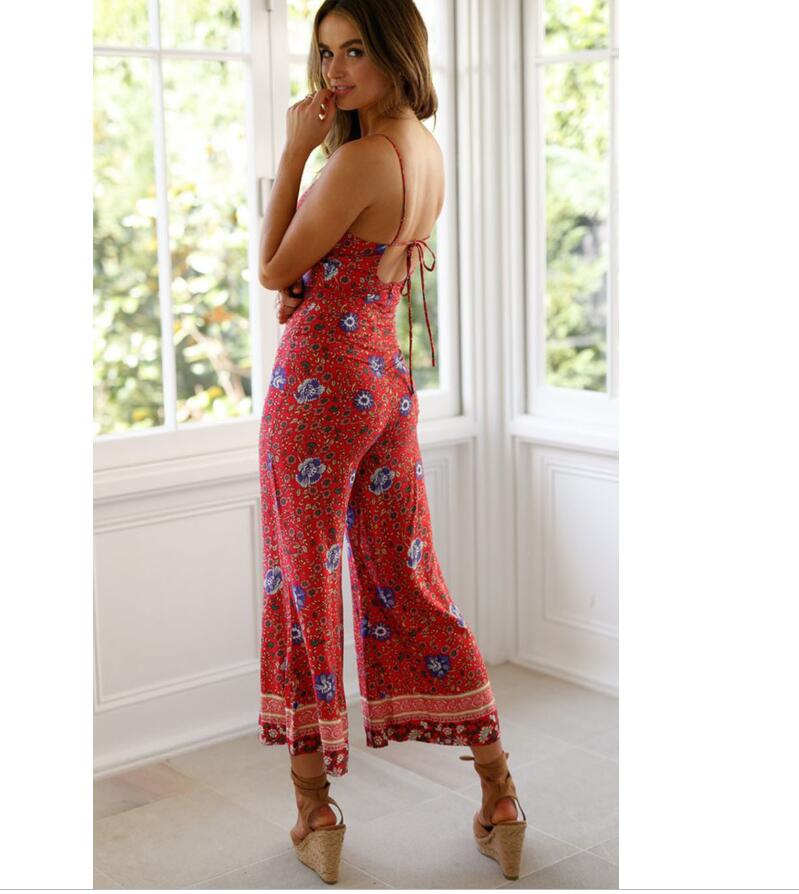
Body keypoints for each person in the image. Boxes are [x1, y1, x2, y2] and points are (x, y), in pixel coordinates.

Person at [257, 0, 526, 883]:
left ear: (396, 52)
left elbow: (272, 267)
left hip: (317, 391)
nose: (333, 73)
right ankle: (498, 792)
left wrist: (294, 153)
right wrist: (312, 286)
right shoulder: (423, 150)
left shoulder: (357, 157)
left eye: (354, 52)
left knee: (303, 582)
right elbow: (346, 270)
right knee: (409, 575)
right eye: (324, 53)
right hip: (385, 381)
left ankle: (314, 808)